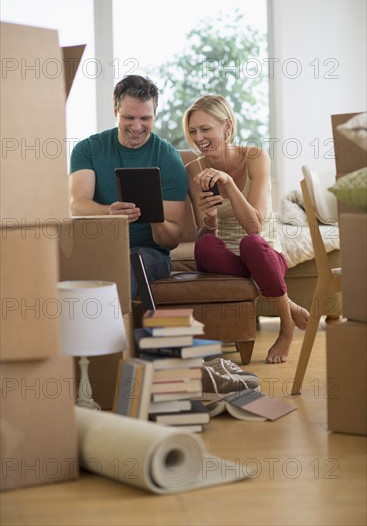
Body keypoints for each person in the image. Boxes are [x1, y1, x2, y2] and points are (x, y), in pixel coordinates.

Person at [182, 95, 309, 364]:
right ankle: (290, 304)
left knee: (250, 243)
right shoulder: (193, 170)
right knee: (203, 245)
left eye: (206, 129)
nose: (198, 137)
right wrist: (211, 217)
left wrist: (228, 184)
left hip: (263, 252)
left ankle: (286, 328)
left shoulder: (255, 157)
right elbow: (203, 234)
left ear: (227, 127)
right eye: (193, 131)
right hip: (226, 259)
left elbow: (254, 225)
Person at [69, 75, 188, 298]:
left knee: (127, 265)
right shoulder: (88, 149)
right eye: (128, 117)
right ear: (116, 111)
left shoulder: (168, 158)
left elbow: (171, 241)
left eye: (145, 118)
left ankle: (116, 332)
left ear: (155, 115)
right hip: (99, 248)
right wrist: (108, 212)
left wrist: (154, 216)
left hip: (150, 253)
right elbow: (77, 205)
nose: (136, 126)